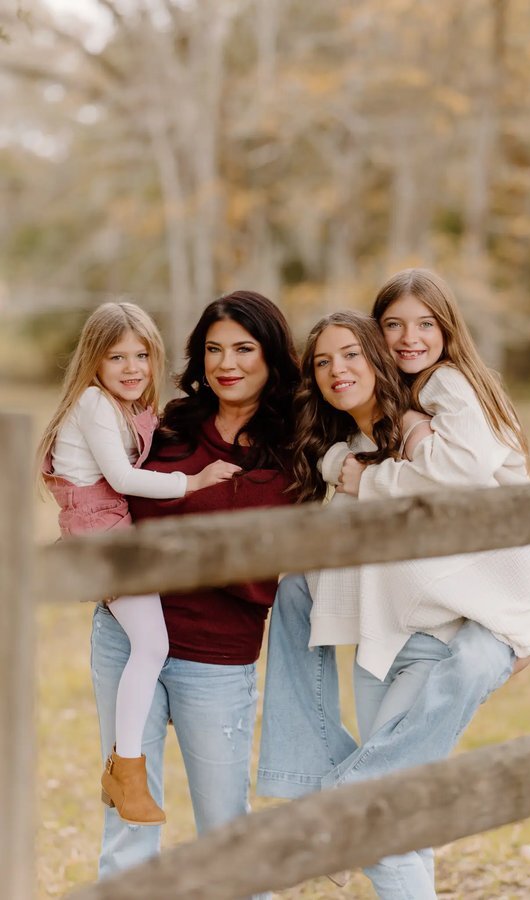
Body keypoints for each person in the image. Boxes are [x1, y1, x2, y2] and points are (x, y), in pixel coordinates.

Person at [257, 273, 530, 898]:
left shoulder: (444, 396)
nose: (409, 337)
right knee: (400, 826)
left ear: (447, 329)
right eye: (393, 325)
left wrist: (362, 478)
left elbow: (463, 479)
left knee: (383, 817)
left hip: (461, 611)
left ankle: (331, 807)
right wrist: (336, 464)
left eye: (424, 324)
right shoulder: (361, 435)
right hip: (384, 634)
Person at [90, 290, 299, 882]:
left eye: (243, 348)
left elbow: (252, 542)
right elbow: (116, 498)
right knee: (128, 820)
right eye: (213, 349)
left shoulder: (293, 446)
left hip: (216, 651)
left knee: (227, 827)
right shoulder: (169, 424)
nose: (225, 363)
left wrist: (171, 514)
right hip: (125, 635)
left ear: (272, 356)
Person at [38, 301, 219, 826]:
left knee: (151, 643)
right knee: (153, 644)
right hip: (102, 532)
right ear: (93, 361)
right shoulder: (95, 403)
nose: (132, 367)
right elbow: (122, 478)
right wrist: (195, 481)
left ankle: (125, 768)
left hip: (108, 527)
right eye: (117, 357)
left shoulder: (116, 405)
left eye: (142, 355)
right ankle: (125, 769)